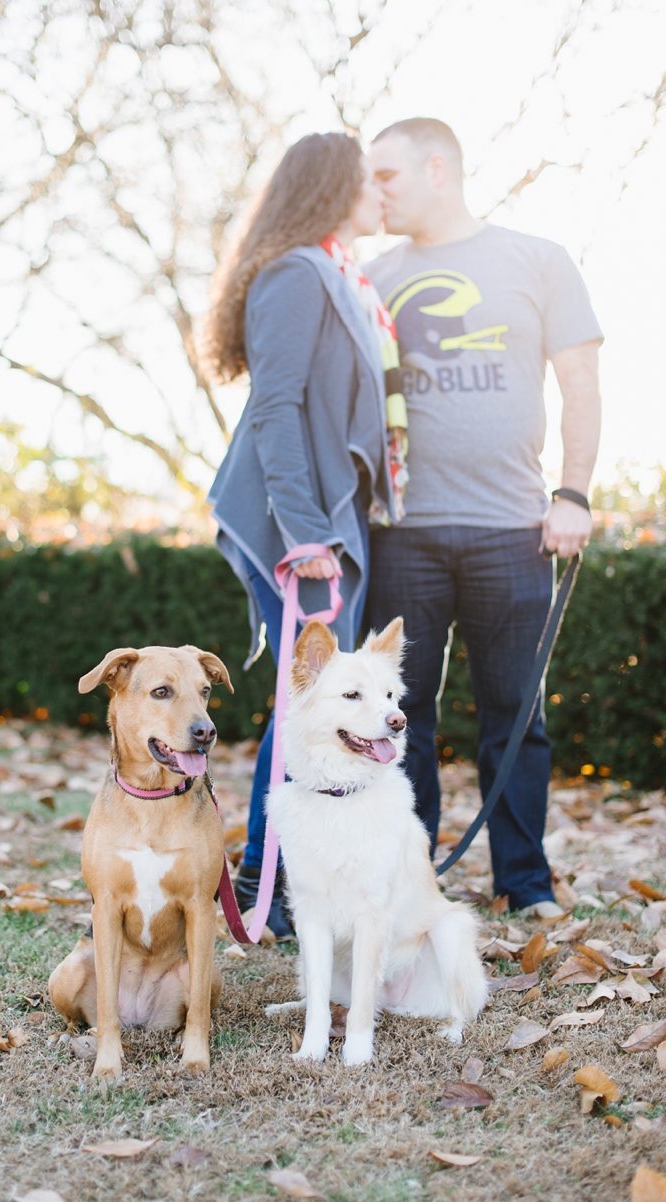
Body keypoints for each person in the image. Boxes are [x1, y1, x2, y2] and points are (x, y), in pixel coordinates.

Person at [364, 118, 603, 917]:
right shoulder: (373, 275)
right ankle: (408, 878)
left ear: (439, 169)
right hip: (400, 534)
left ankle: (523, 883)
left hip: (512, 531)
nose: (375, 193)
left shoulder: (537, 260)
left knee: (515, 718)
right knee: (401, 717)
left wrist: (571, 494)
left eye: (387, 176)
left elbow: (581, 383)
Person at [205, 132, 400, 937]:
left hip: (328, 524)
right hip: (301, 530)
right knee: (310, 708)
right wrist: (306, 534)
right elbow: (277, 408)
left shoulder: (339, 274)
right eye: (369, 181)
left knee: (315, 704)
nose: (382, 194)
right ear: (331, 188)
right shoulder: (295, 274)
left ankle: (280, 882)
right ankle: (269, 888)